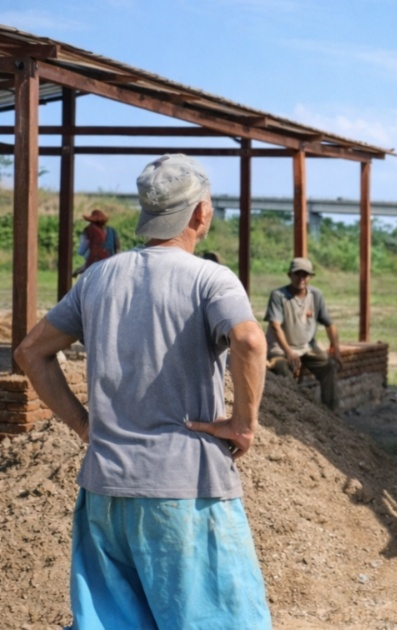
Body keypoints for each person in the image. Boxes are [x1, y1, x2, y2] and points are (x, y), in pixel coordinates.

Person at [14, 153, 272, 628]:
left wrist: (83, 424)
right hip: (185, 490)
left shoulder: (98, 277)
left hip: (106, 492)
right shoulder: (209, 279)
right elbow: (250, 340)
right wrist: (243, 424)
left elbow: (30, 352)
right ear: (200, 213)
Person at [265, 257, 342, 411]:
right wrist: (289, 352)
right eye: (297, 274)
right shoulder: (278, 296)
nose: (301, 279)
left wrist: (336, 349)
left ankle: (332, 412)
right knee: (282, 371)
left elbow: (329, 324)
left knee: (328, 367)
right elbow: (275, 325)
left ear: (310, 277)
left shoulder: (316, 295)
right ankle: (294, 411)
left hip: (306, 347)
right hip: (281, 348)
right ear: (290, 275)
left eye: (305, 275)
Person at [72, 209, 120, 276]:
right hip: (110, 260)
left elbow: (82, 249)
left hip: (95, 259)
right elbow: (117, 248)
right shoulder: (112, 231)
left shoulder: (90, 229)